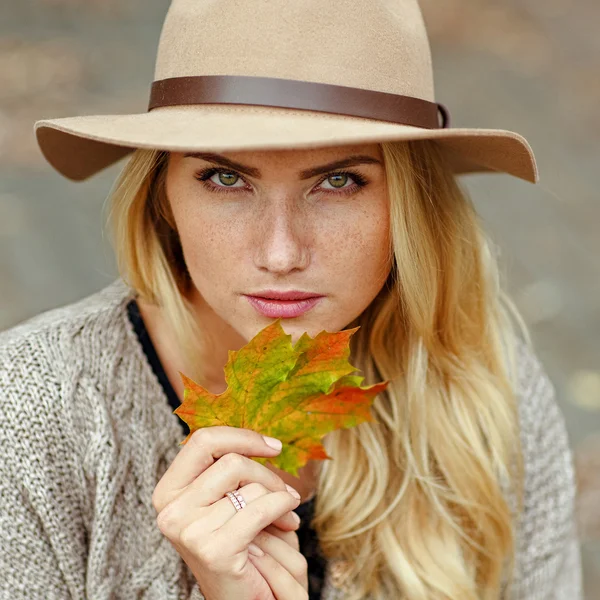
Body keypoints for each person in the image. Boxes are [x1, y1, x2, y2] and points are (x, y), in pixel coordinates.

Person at [0, 0, 582, 599]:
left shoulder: (484, 394)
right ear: (161, 196)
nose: (280, 254)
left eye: (338, 181)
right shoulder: (28, 413)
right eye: (226, 179)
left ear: (410, 205)